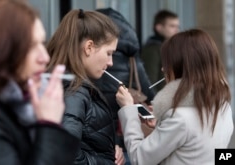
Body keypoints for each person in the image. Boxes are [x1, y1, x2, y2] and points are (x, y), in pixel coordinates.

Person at [116, 29, 234, 165]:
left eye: (167, 62)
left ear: (182, 66)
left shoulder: (179, 118)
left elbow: (139, 158)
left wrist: (128, 110)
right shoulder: (223, 106)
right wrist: (162, 127)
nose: (163, 69)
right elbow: (197, 146)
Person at [0, 0, 79, 164]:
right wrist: (49, 125)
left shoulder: (21, 108)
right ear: (3, 51)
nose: (45, 58)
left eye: (42, 44)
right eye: (31, 46)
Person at [46, 9, 125, 165]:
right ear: (89, 47)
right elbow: (66, 155)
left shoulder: (66, 84)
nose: (110, 63)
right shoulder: (74, 92)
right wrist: (106, 161)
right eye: (109, 53)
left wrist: (110, 149)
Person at [94, 8, 155, 165]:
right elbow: (148, 93)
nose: (110, 63)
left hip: (96, 139)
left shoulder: (87, 61)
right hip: (124, 136)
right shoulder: (131, 60)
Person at [141, 9, 179, 93]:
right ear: (159, 27)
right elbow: (150, 82)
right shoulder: (153, 49)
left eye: (177, 26)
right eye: (172, 26)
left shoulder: (171, 47)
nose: (176, 30)